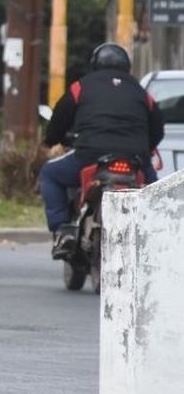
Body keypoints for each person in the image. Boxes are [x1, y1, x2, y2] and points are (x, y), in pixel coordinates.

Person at [40, 42, 164, 257]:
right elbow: (157, 128)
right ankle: (157, 237)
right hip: (135, 159)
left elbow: (60, 119)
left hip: (90, 157)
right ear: (127, 66)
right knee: (156, 195)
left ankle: (63, 230)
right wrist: (146, 149)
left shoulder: (81, 87)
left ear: (94, 65)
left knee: (49, 174)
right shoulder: (141, 93)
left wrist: (51, 140)